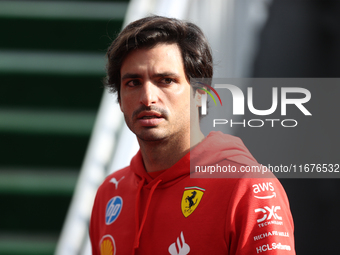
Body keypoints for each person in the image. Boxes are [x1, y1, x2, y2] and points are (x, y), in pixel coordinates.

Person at [90, 15, 295, 255]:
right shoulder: (110, 193)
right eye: (133, 83)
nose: (147, 98)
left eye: (166, 80)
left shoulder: (249, 187)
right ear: (120, 99)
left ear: (201, 94)